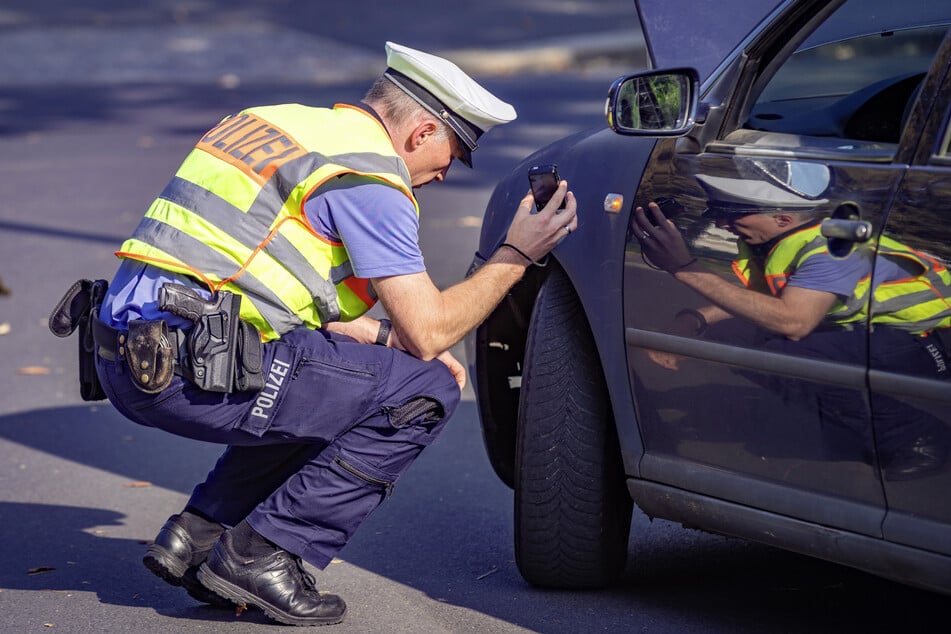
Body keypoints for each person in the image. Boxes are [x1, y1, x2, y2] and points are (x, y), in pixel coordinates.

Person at [82, 42, 577, 626]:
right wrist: (518, 253)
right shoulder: (367, 176)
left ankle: (198, 535)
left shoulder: (273, 125)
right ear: (421, 132)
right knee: (424, 389)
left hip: (127, 356)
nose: (445, 172)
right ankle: (264, 554)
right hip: (190, 372)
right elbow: (430, 332)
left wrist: (375, 337)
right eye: (454, 152)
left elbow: (258, 272)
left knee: (353, 374)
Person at [633, 172, 951, 478]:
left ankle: (920, 438)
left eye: (730, 213)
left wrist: (683, 268)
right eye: (714, 210)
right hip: (885, 330)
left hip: (933, 338)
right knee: (733, 338)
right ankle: (844, 412)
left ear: (782, 219)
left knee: (799, 358)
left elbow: (793, 321)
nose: (719, 223)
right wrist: (695, 321)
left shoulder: (831, 249)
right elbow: (759, 302)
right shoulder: (787, 240)